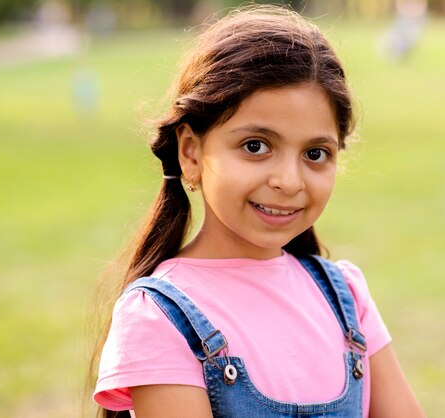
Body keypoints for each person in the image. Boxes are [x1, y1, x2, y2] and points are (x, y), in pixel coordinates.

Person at [90, 5, 425, 418]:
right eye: (255, 146)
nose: (289, 181)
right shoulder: (157, 318)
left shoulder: (347, 298)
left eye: (315, 153)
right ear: (191, 152)